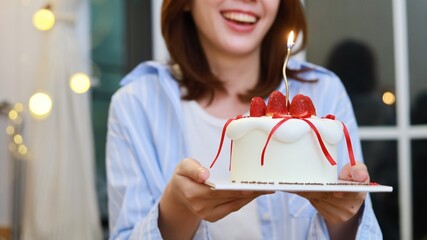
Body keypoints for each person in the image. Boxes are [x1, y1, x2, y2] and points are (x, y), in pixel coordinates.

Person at [106, 0, 382, 239]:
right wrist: (178, 207)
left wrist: (344, 212)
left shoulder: (323, 91)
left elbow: (353, 227)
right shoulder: (135, 104)